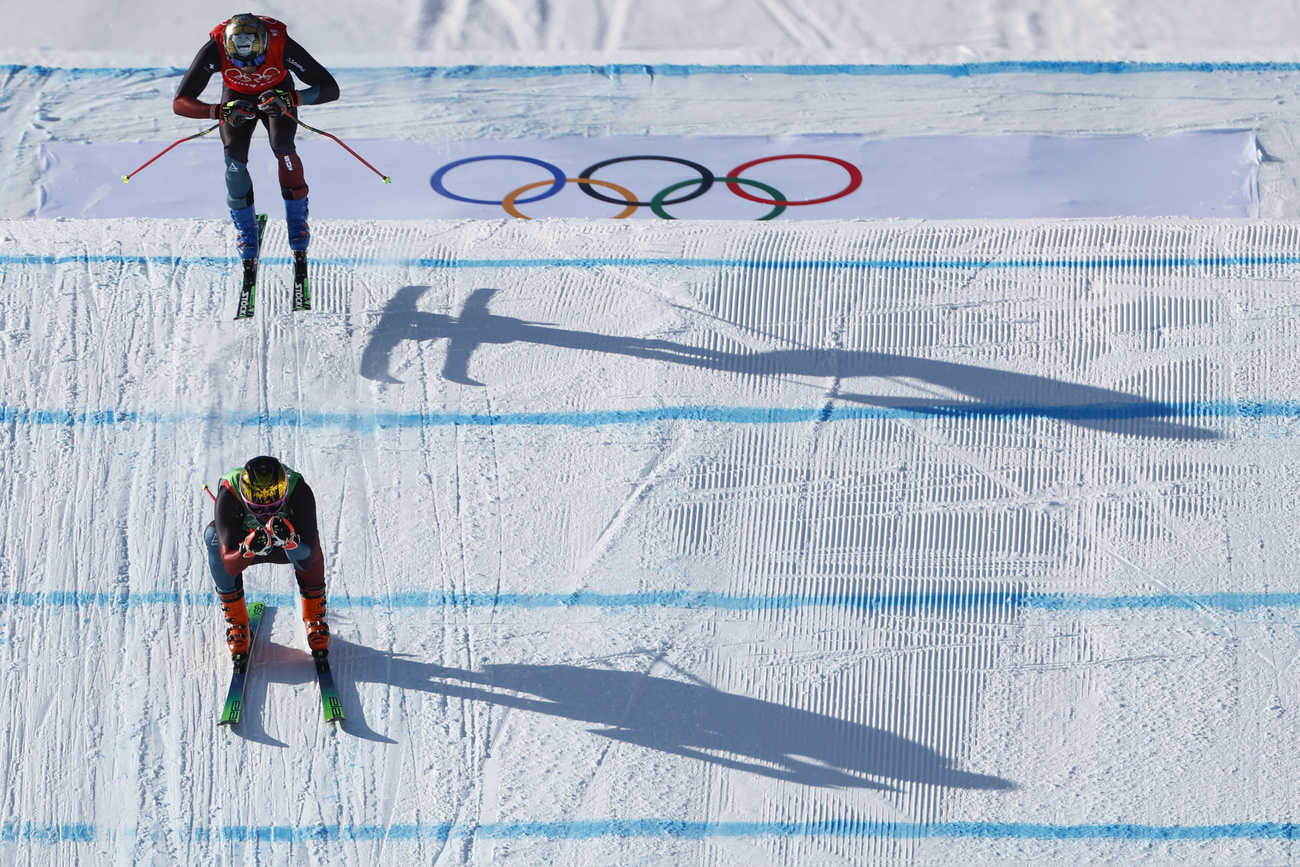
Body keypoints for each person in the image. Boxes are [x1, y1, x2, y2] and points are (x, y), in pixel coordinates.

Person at [173, 14, 339, 265]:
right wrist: (221, 110)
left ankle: (297, 222)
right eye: (239, 62)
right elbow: (180, 103)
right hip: (236, 96)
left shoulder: (281, 44)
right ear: (228, 50)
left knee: (283, 148)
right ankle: (245, 229)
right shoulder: (215, 47)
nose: (248, 68)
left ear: (265, 46)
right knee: (233, 158)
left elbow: (330, 88)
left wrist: (291, 98)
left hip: (278, 92)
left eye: (256, 60)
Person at [204, 456, 330, 664]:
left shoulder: (299, 490)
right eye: (257, 508)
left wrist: (291, 541)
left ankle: (314, 616)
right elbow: (229, 563)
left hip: (285, 546)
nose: (265, 513)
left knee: (312, 543)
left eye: (273, 506)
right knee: (213, 537)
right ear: (244, 495)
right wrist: (247, 549)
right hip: (247, 544)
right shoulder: (229, 492)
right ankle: (237, 623)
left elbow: (307, 559)